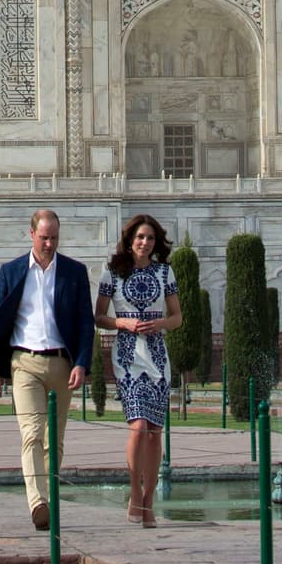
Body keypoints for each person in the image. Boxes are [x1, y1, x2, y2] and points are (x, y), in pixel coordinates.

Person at [0, 208, 94, 531]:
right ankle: (38, 503)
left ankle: (49, 499)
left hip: (61, 363)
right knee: (31, 434)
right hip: (24, 363)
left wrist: (83, 362)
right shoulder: (12, 271)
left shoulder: (73, 272)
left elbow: (86, 323)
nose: (49, 244)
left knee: (53, 442)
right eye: (44, 237)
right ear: (31, 234)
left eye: (54, 238)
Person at [95, 213, 181, 527]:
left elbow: (177, 317)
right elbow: (99, 316)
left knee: (156, 432)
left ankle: (148, 501)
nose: (145, 243)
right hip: (128, 354)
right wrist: (124, 323)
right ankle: (134, 492)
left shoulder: (164, 273)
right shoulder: (112, 272)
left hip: (157, 356)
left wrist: (161, 323)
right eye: (140, 238)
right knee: (139, 425)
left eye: (150, 239)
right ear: (130, 240)